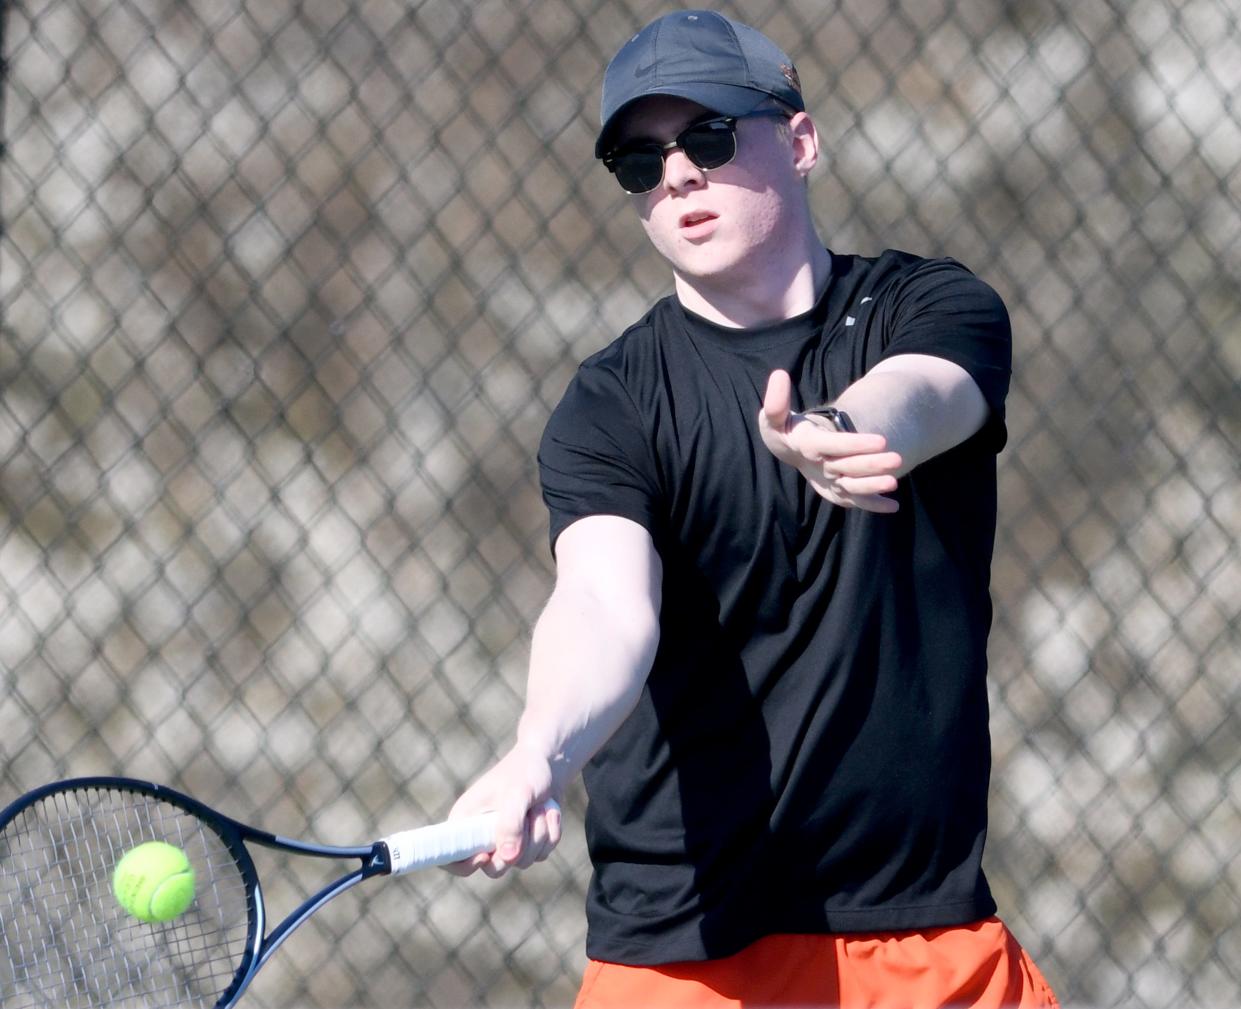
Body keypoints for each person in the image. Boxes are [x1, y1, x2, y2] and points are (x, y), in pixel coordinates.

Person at [446, 9, 1059, 1008]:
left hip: (919, 932)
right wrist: (537, 750)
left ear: (801, 142)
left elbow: (928, 393)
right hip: (684, 953)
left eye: (711, 136)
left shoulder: (926, 306)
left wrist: (842, 428)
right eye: (640, 163)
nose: (677, 174)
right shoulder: (610, 402)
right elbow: (603, 603)